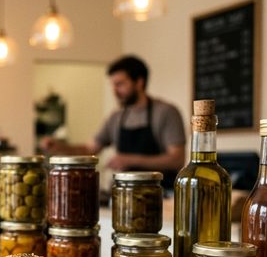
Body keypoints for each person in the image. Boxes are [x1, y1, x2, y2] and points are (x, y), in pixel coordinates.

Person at [42, 55, 186, 188]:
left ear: (139, 82)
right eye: (113, 85)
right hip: (124, 192)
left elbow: (177, 159)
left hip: (161, 194)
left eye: (120, 84)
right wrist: (60, 147)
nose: (115, 91)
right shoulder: (116, 117)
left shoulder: (166, 112)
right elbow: (89, 149)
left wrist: (130, 160)